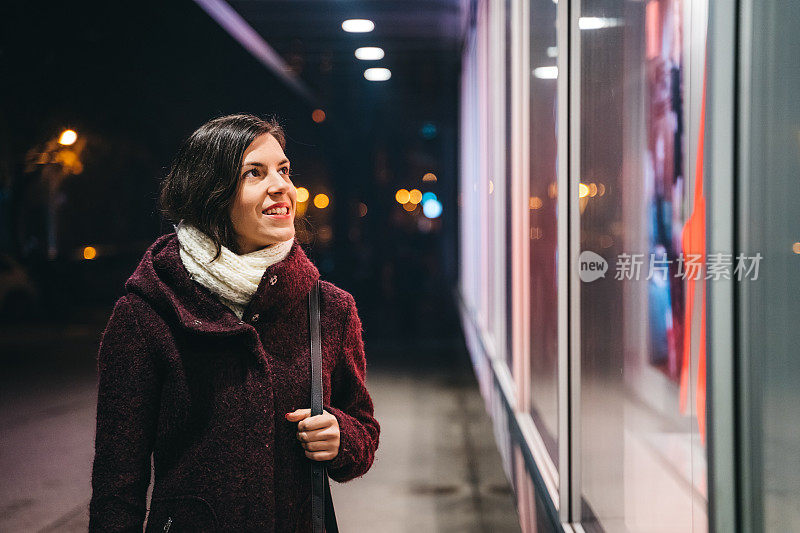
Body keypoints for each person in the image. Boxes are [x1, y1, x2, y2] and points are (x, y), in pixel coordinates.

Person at [88, 114, 380, 532]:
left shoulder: (330, 309)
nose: (281, 186)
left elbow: (363, 428)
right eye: (254, 174)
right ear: (211, 193)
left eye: (283, 170)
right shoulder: (147, 313)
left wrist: (341, 436)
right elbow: (117, 484)